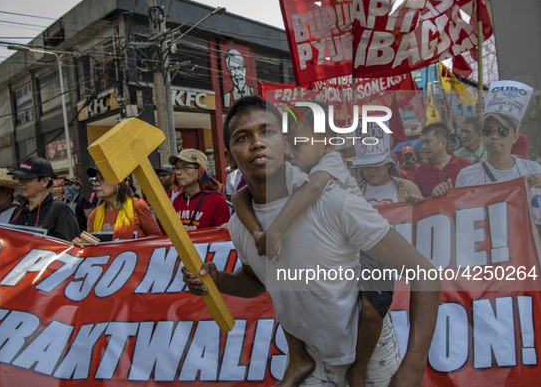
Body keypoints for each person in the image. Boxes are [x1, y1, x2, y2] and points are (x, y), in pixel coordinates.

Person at [183, 96, 439, 386]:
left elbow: (424, 273)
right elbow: (259, 280)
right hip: (312, 365)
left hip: (373, 364)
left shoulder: (333, 201)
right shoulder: (239, 224)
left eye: (267, 132)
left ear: (285, 142)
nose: (257, 143)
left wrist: (413, 368)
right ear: (229, 158)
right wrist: (221, 281)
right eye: (243, 137)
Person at [231, 102, 402, 386]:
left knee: (372, 312)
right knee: (288, 285)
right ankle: (298, 358)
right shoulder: (291, 168)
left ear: (325, 143)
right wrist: (257, 232)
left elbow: (312, 190)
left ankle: (358, 371)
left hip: (366, 250)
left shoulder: (329, 162)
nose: (289, 150)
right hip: (337, 254)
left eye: (298, 142)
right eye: (287, 142)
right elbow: (239, 198)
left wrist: (274, 231)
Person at [432, 113, 541, 223]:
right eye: (489, 131)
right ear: (483, 136)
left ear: (515, 137)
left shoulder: (532, 170)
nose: (495, 136)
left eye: (502, 131)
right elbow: (461, 220)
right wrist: (444, 198)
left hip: (525, 249)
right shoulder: (467, 176)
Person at [7, 156, 80, 241]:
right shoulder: (18, 211)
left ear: (44, 181)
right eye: (19, 179)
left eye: (26, 179)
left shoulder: (60, 210)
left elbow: (68, 249)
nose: (20, 183)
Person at [82, 167, 161, 241]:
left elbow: (156, 237)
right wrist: (80, 243)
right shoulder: (95, 214)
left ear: (118, 183)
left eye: (102, 179)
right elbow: (91, 245)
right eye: (96, 180)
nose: (96, 184)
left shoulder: (137, 205)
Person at [169, 149, 230, 231]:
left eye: (185, 167)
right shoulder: (177, 200)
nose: (178, 172)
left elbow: (224, 237)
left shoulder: (217, 200)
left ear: (200, 171)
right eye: (177, 168)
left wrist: (197, 234)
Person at [413, 122, 472, 197]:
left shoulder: (464, 164)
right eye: (422, 142)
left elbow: (475, 195)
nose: (424, 147)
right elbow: (419, 201)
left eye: (428, 142)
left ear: (443, 142)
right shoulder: (419, 172)